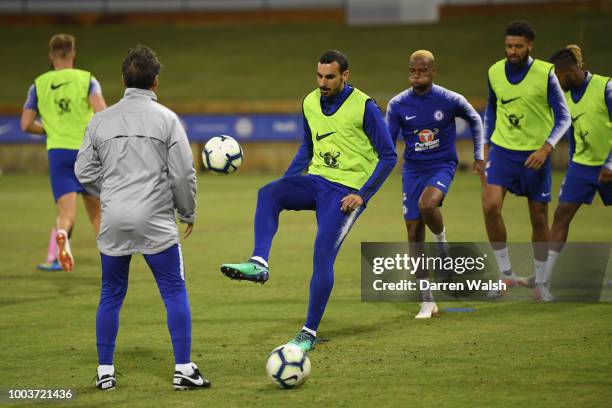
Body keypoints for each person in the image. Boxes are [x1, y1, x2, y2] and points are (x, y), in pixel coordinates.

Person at [220, 50, 397, 351]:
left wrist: (362, 195)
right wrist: (287, 181)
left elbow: (389, 156)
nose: (323, 82)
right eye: (319, 76)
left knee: (322, 253)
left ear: (345, 76)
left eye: (329, 77)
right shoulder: (309, 102)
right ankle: (259, 262)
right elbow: (307, 145)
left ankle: (308, 333)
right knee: (268, 192)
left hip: (346, 193)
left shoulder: (364, 106)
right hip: (317, 181)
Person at [75, 45, 209, 390]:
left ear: (123, 80)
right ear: (156, 81)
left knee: (111, 293)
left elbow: (83, 171)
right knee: (174, 290)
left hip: (114, 218)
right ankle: (183, 370)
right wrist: (187, 211)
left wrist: (111, 194)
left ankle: (105, 372)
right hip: (155, 218)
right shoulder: (166, 118)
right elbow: (183, 174)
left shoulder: (100, 119)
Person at [386, 50, 485, 318]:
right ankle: (427, 301)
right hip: (413, 170)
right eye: (412, 71)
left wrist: (478, 155)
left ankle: (441, 243)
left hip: (442, 165)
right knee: (413, 233)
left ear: (433, 72)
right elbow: (387, 142)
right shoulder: (398, 104)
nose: (416, 75)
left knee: (428, 205)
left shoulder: (449, 99)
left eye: (422, 70)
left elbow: (475, 119)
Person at [482, 20, 571, 298]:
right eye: (509, 46)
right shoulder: (494, 71)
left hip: (535, 155)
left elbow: (564, 116)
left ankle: (541, 283)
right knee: (491, 207)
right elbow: (491, 111)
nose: (513, 51)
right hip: (503, 151)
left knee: (538, 217)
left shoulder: (546, 73)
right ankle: (505, 274)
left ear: (530, 46)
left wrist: (546, 148)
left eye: (519, 46)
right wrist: (484, 146)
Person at [20, 33, 106, 272]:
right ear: (73, 54)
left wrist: (49, 130)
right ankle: (111, 263)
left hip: (58, 153)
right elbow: (102, 112)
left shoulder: (38, 85)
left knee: (66, 213)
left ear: (51, 56)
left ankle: (61, 237)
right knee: (97, 216)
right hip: (87, 152)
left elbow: (25, 124)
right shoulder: (87, 80)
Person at [542, 45, 612, 301]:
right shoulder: (566, 98)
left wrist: (610, 165)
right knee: (561, 214)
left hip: (609, 164)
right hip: (582, 167)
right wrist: (572, 164)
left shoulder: (606, 87)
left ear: (568, 71)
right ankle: (544, 280)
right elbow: (572, 136)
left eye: (556, 78)